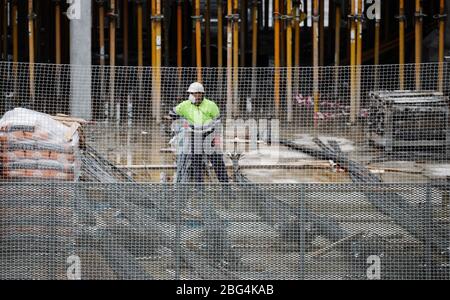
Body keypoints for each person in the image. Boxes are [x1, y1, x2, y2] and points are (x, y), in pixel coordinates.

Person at [172, 82, 230, 185]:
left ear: (202, 94)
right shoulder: (185, 105)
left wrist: (216, 136)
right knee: (197, 163)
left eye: (198, 94)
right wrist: (183, 121)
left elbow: (218, 121)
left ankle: (226, 187)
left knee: (217, 161)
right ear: (190, 95)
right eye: (194, 94)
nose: (196, 96)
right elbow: (172, 113)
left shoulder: (210, 105)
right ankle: (200, 189)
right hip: (194, 136)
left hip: (209, 135)